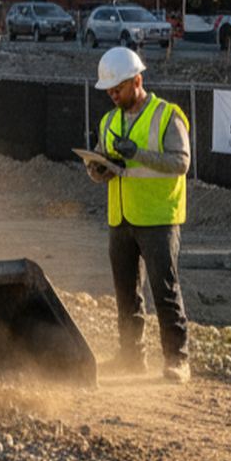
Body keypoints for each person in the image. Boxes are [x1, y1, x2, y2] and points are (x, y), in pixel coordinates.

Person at [86, 46, 192, 382]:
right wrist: (98, 170)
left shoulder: (166, 114)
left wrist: (139, 154)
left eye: (117, 89)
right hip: (121, 217)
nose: (113, 96)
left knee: (164, 290)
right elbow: (103, 164)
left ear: (137, 81)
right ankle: (131, 358)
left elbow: (181, 162)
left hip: (159, 217)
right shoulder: (109, 121)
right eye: (109, 91)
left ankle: (178, 359)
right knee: (125, 294)